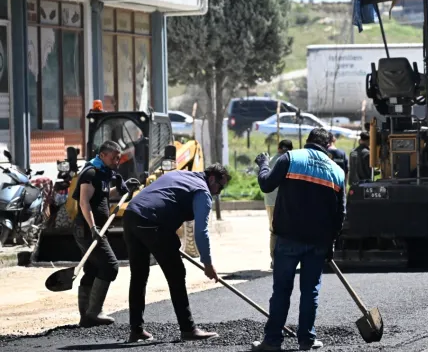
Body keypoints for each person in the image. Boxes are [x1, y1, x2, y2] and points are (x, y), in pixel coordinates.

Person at [251, 128, 346, 351]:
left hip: (288, 238)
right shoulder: (337, 171)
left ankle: (272, 341)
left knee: (282, 290)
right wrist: (331, 242)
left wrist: (264, 164)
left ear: (308, 141)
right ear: (328, 145)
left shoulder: (290, 159)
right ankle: (307, 341)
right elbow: (340, 214)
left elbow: (266, 184)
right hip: (318, 243)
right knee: (310, 291)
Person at [122, 164, 231, 343]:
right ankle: (188, 329)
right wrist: (208, 263)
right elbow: (201, 232)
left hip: (131, 215)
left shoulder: (181, 175)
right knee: (176, 274)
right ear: (212, 178)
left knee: (139, 275)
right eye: (220, 186)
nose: (218, 192)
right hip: (152, 221)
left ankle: (136, 330)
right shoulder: (202, 191)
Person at [72, 141, 140, 328]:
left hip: (96, 229)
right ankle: (93, 312)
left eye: (119, 157)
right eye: (114, 157)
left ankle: (86, 316)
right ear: (102, 155)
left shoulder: (102, 173)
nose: (118, 161)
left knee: (94, 269)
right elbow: (84, 202)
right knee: (110, 266)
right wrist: (93, 227)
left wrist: (121, 189)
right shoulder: (90, 173)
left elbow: (102, 195)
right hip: (88, 230)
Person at [264, 140, 294, 269]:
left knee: (274, 230)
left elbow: (261, 175)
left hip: (271, 201)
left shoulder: (270, 161)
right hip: (287, 200)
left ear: (278, 148)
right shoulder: (291, 161)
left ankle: (275, 260)